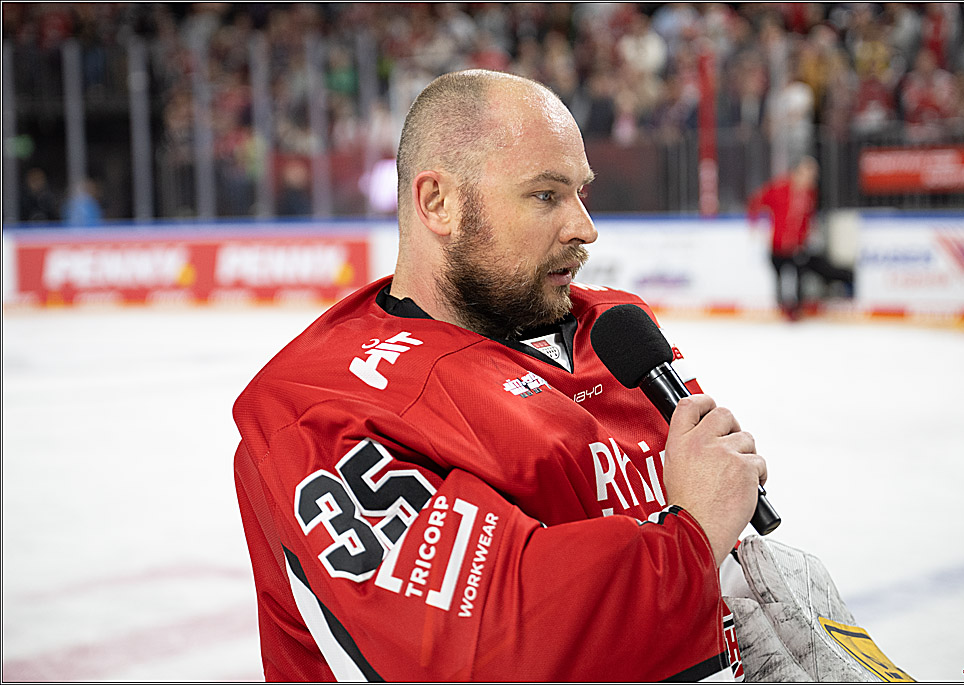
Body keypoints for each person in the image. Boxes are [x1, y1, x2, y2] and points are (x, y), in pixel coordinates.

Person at [232, 69, 768, 681]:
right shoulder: (322, 406)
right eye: (546, 196)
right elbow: (492, 652)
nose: (584, 228)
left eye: (581, 194)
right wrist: (694, 534)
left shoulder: (617, 329)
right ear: (438, 203)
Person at [746, 156, 819, 321]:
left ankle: (795, 309)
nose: (811, 177)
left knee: (799, 276)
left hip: (797, 246)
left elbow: (807, 218)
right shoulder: (780, 189)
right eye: (808, 172)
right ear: (797, 172)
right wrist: (754, 224)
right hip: (778, 244)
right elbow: (756, 201)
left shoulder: (809, 193)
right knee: (780, 277)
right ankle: (783, 307)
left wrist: (806, 236)